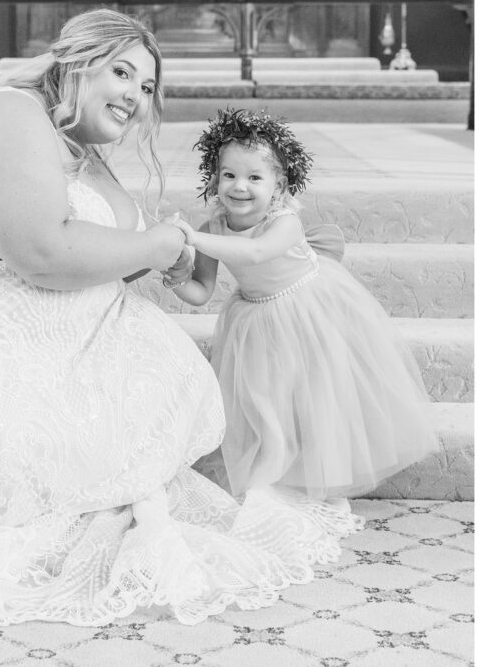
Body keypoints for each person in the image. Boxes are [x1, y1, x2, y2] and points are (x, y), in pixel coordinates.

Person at [0, 13, 362, 628]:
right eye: (122, 71)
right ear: (76, 63)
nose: (136, 95)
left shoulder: (81, 146)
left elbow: (109, 254)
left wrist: (169, 254)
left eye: (148, 87)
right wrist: (154, 247)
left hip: (54, 333)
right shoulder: (8, 114)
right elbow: (42, 254)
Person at [171, 107, 438, 504]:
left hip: (308, 310)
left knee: (313, 397)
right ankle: (269, 477)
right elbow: (201, 292)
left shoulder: (284, 222)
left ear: (279, 186)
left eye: (254, 177)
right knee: (263, 405)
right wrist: (177, 275)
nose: (239, 186)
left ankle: (314, 478)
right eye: (229, 175)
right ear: (215, 178)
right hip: (253, 319)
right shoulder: (213, 228)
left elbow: (257, 252)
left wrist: (190, 238)